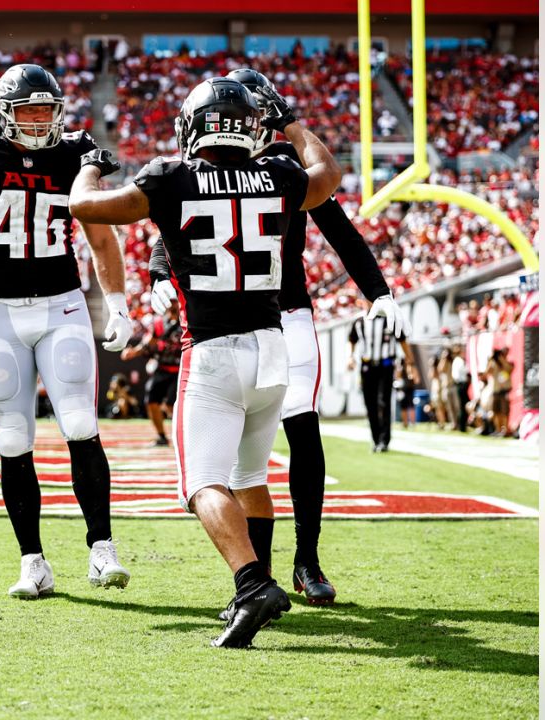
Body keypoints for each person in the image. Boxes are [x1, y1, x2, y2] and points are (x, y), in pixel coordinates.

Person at [68, 77, 342, 647]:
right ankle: (259, 583)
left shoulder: (173, 176)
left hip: (215, 352)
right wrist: (290, 123)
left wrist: (90, 165)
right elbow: (326, 175)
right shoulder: (280, 173)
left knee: (201, 484)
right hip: (274, 349)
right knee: (249, 477)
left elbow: (84, 205)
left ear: (194, 127)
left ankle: (251, 585)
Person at [144, 68, 406, 607]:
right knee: (246, 464)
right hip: (235, 322)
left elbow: (339, 229)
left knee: (301, 430)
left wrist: (377, 291)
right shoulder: (229, 169)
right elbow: (175, 229)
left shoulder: (282, 169)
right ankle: (257, 579)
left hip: (284, 315)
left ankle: (305, 559)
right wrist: (157, 275)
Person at [0, 64, 135, 599]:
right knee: (13, 440)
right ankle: (33, 562)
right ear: (3, 114)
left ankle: (101, 548)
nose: (39, 122)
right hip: (1, 312)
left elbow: (102, 240)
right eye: (28, 111)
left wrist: (119, 304)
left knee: (81, 424)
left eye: (46, 111)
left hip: (62, 306)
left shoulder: (73, 156)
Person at [348, 298, 420, 452]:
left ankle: (384, 440)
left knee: (384, 402)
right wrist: (350, 356)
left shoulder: (389, 320)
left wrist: (411, 364)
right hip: (367, 366)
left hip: (386, 366)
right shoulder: (359, 322)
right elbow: (352, 340)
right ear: (362, 302)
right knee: (370, 404)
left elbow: (402, 341)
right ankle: (375, 439)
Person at [120, 295, 182, 446]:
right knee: (151, 400)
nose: (172, 305)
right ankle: (161, 436)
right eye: (170, 301)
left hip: (181, 369)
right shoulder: (159, 322)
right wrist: (133, 352)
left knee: (172, 405)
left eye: (174, 301)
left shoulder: (187, 320)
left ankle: (183, 435)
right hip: (163, 367)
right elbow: (149, 342)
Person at [488, 348, 514, 436]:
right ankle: (498, 429)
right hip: (496, 390)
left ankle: (505, 430)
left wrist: (502, 360)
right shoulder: (493, 363)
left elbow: (509, 369)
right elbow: (487, 372)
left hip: (504, 391)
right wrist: (491, 360)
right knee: (496, 411)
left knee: (504, 411)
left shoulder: (509, 362)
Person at [451, 344, 470, 432]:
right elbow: (465, 371)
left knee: (462, 405)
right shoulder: (459, 361)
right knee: (463, 406)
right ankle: (462, 426)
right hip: (461, 385)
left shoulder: (456, 360)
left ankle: (461, 425)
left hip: (459, 385)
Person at [394, 356, 417, 429]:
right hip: (403, 391)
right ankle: (405, 423)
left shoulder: (410, 368)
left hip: (409, 390)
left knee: (411, 407)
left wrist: (410, 366)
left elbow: (414, 378)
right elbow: (397, 377)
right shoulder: (400, 369)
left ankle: (413, 423)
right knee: (403, 407)